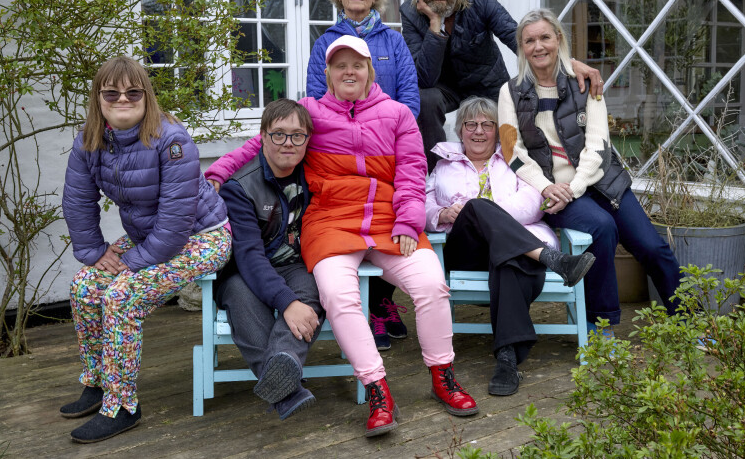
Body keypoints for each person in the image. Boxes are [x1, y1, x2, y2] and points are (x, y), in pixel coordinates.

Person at [205, 36, 478, 438]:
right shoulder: (312, 112)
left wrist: (408, 221)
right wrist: (217, 173)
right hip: (330, 223)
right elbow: (257, 146)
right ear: (328, 75)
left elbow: (412, 171)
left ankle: (443, 375)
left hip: (388, 220)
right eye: (339, 65)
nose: (349, 71)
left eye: (357, 65)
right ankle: (377, 390)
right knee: (337, 296)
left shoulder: (398, 114)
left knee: (432, 285)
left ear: (370, 71)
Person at [61, 56, 232, 443]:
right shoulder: (90, 139)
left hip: (202, 237)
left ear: (146, 96)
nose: (123, 98)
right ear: (98, 98)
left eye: (133, 91)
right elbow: (77, 200)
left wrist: (131, 263)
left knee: (122, 295)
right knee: (86, 287)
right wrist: (94, 252)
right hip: (149, 238)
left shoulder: (171, 139)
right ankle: (99, 382)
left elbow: (175, 222)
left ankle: (122, 406)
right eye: (112, 92)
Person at [497, 8, 682, 336]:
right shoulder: (510, 92)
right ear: (521, 47)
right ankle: (601, 323)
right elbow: (513, 150)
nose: (538, 46)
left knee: (653, 247)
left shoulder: (585, 84)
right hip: (555, 191)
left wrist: (576, 186)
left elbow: (599, 144)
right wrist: (544, 187)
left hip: (602, 182)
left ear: (559, 40)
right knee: (601, 228)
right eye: (529, 41)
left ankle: (688, 320)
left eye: (545, 37)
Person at [425, 96, 595, 396]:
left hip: (514, 250)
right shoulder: (443, 166)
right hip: (467, 251)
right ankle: (553, 259)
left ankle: (507, 359)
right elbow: (422, 204)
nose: (478, 131)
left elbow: (533, 204)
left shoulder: (518, 162)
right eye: (471, 124)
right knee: (476, 208)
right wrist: (441, 214)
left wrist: (488, 215)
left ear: (498, 131)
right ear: (460, 130)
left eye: (487, 125)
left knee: (508, 261)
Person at [399, 0, 605, 171]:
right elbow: (425, 78)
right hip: (443, 87)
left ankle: (519, 173)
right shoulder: (410, 12)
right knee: (423, 98)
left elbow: (514, 36)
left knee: (517, 116)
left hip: (486, 82)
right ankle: (436, 172)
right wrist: (434, 24)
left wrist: (567, 62)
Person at [306, 0, 418, 351]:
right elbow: (317, 103)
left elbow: (409, 100)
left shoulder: (392, 41)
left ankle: (383, 304)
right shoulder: (324, 42)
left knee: (391, 225)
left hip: (387, 154)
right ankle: (368, 307)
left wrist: (387, 139)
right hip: (343, 159)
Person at [214, 99, 322, 420]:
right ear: (262, 136)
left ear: (307, 140)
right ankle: (288, 388)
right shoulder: (240, 188)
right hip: (244, 270)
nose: (288, 143)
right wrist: (286, 303)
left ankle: (281, 381)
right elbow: (248, 256)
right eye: (278, 134)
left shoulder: (314, 177)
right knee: (239, 295)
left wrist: (295, 299)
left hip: (295, 264)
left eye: (297, 135)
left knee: (315, 290)